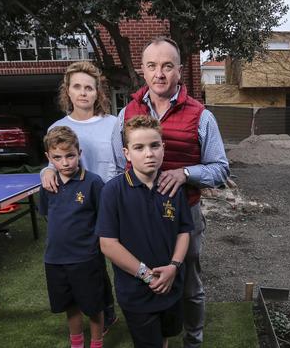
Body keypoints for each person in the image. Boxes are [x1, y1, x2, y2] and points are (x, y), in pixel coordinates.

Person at [110, 36, 230, 348]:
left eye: (167, 66)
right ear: (142, 71)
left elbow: (221, 169)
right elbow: (115, 165)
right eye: (152, 66)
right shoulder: (126, 114)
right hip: (136, 216)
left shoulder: (201, 116)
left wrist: (186, 173)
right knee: (143, 276)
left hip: (183, 216)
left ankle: (193, 340)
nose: (159, 74)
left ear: (179, 70)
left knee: (188, 284)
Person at [98, 115, 193, 348]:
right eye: (139, 147)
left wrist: (174, 266)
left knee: (165, 338)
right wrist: (147, 275)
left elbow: (184, 230)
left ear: (164, 147)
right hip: (137, 293)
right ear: (127, 153)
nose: (149, 153)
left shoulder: (173, 187)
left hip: (172, 286)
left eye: (154, 145)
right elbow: (108, 244)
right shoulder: (113, 191)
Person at [41, 61, 117, 329]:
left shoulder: (113, 125)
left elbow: (121, 165)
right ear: (68, 91)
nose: (83, 92)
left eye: (89, 87)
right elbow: (54, 161)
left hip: (107, 202)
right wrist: (45, 172)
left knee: (108, 261)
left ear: (98, 93)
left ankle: (112, 308)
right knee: (88, 263)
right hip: (77, 207)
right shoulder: (57, 127)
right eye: (77, 87)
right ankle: (104, 311)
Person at [38, 126, 106, 348]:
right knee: (70, 305)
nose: (65, 162)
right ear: (49, 158)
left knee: (94, 306)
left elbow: (104, 219)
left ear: (79, 153)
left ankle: (96, 343)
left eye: (70, 156)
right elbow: (49, 216)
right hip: (55, 259)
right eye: (57, 157)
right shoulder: (48, 185)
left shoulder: (94, 182)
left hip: (86, 259)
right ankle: (76, 343)